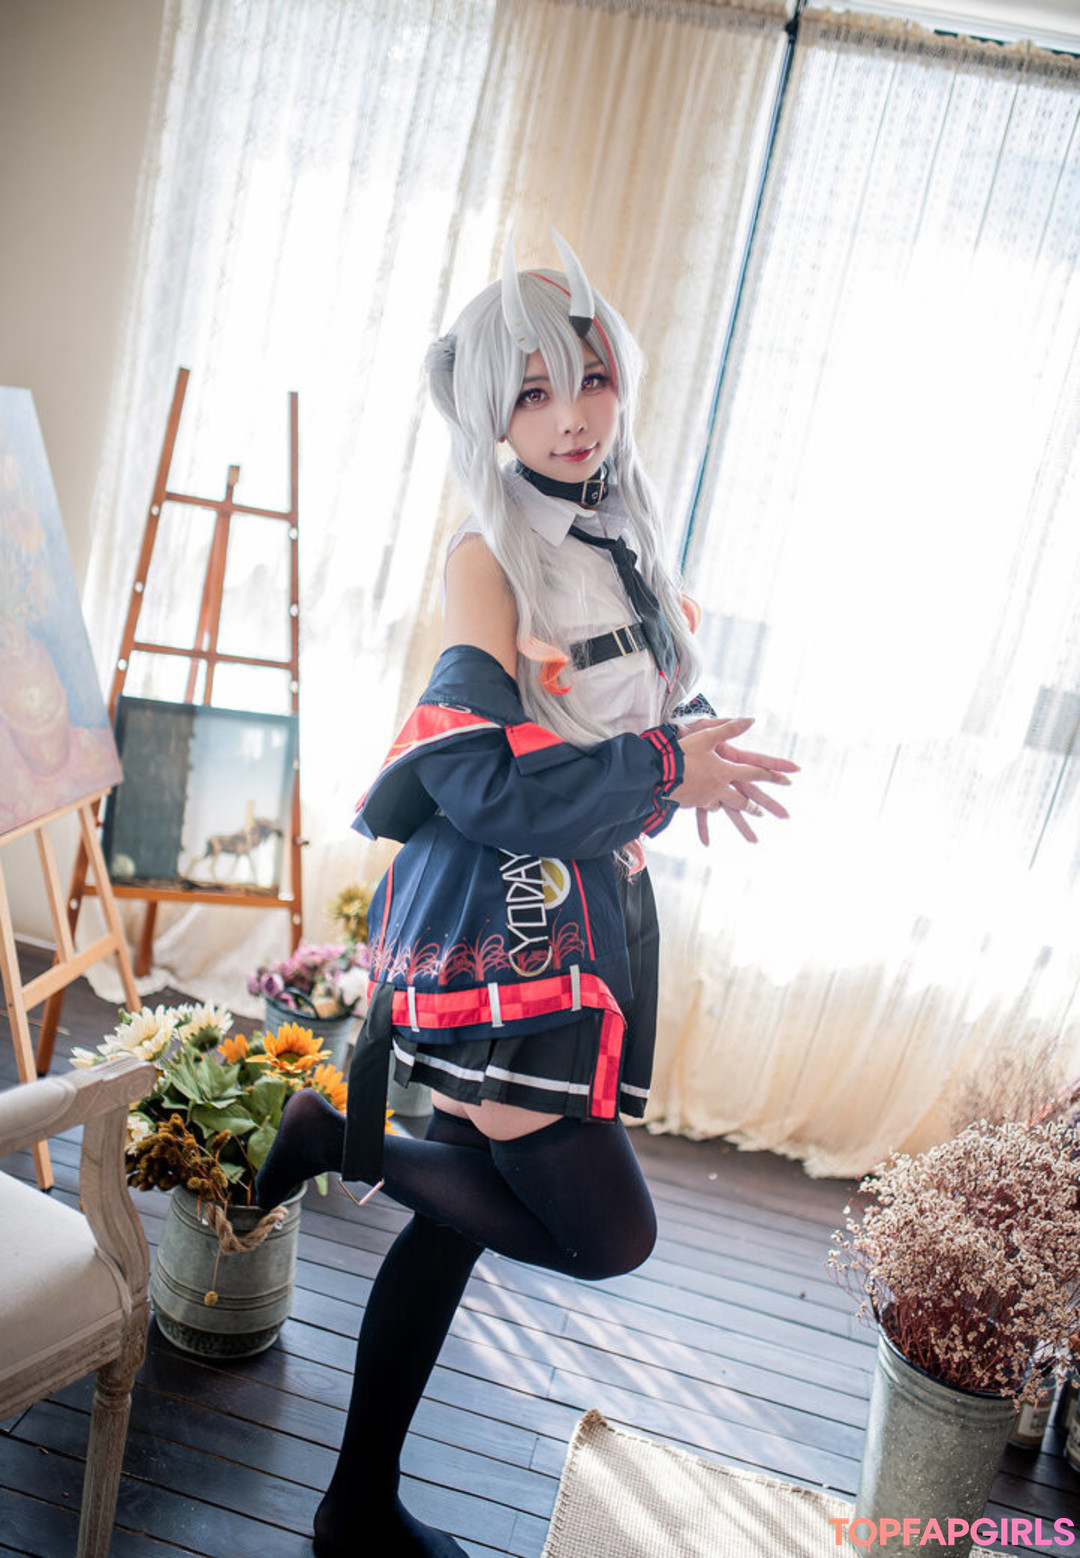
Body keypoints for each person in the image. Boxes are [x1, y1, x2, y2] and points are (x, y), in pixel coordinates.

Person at [255, 233, 798, 1558]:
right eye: (535, 392)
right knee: (608, 1236)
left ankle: (352, 1508)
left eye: (591, 380)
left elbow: (617, 708)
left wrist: (693, 748)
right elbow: (479, 778)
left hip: (576, 912)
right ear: (491, 409)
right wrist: (664, 765)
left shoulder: (626, 524)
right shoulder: (486, 551)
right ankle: (332, 1138)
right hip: (511, 924)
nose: (571, 418)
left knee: (450, 1232)